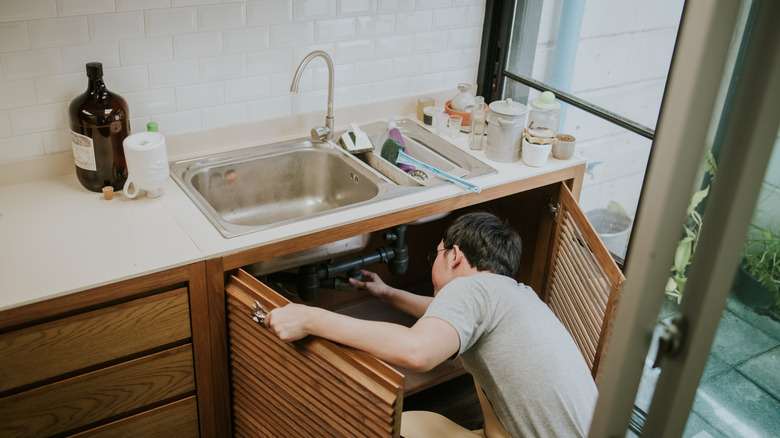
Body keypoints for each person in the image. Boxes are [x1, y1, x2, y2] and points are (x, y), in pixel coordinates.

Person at [266, 211, 598, 437]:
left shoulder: (472, 289)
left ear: (454, 256)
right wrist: (389, 294)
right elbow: (450, 320)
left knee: (395, 427)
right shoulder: (516, 296)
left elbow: (417, 352)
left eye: (435, 255)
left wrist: (308, 317)